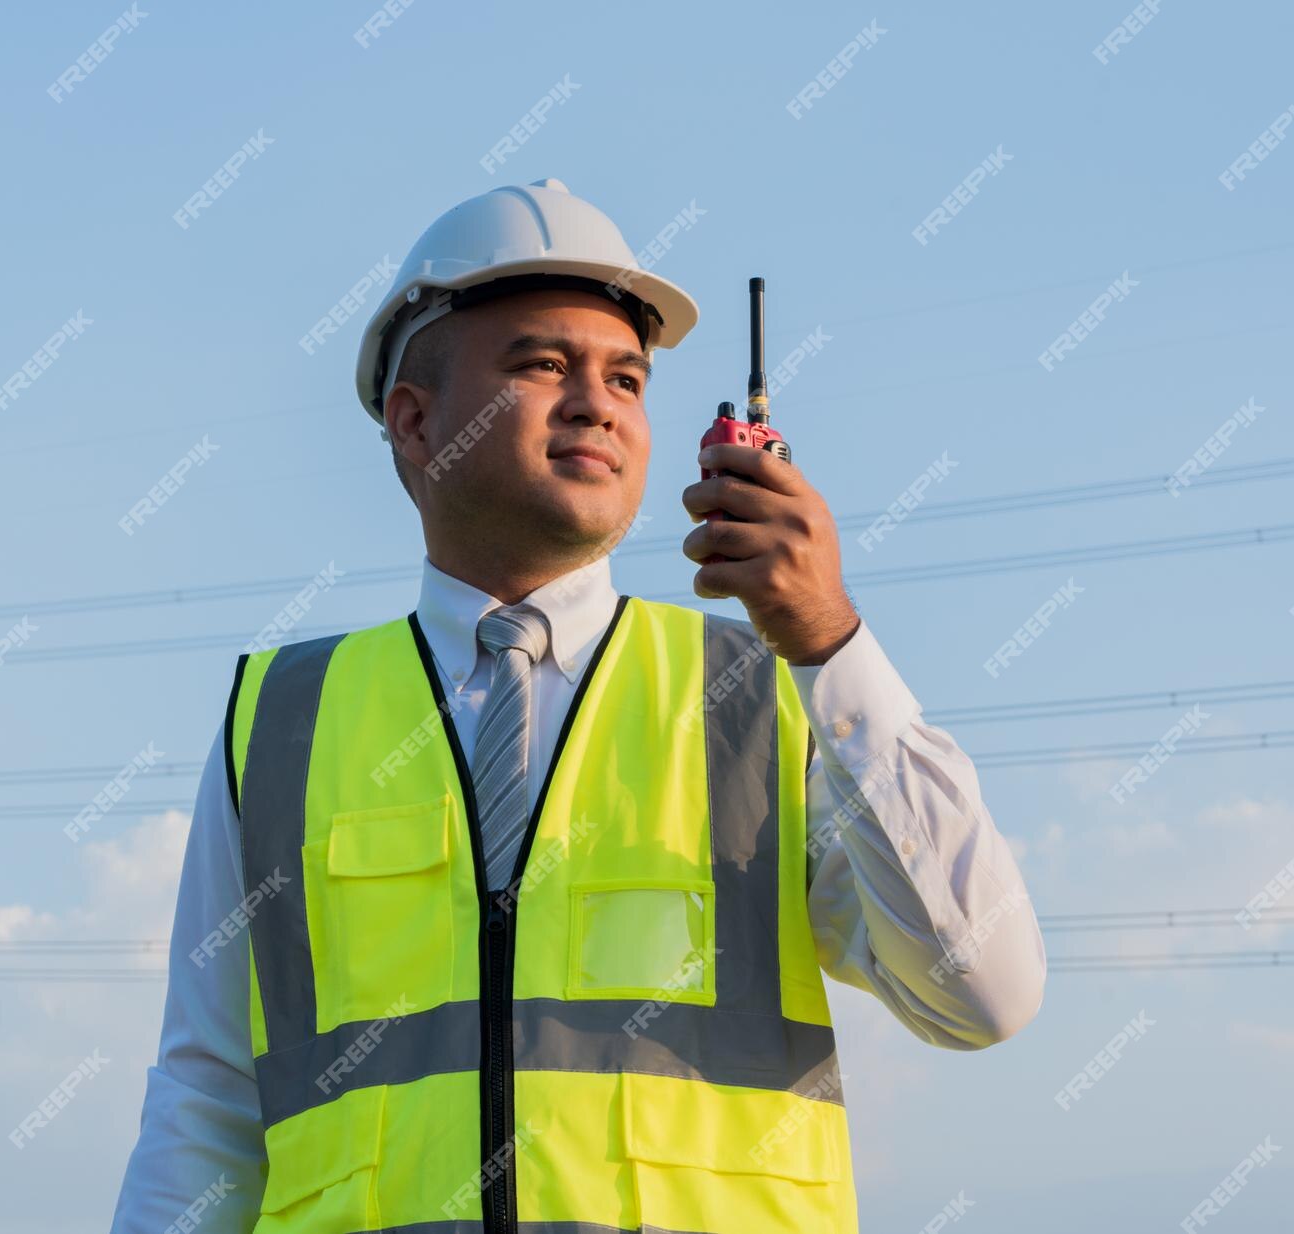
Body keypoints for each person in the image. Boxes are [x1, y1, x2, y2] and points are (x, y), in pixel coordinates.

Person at [107, 178, 1044, 1234]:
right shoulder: (281, 721)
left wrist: (830, 646)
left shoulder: (767, 696)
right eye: (541, 364)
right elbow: (205, 1112)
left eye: (626, 377)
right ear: (413, 424)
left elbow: (981, 994)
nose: (598, 402)